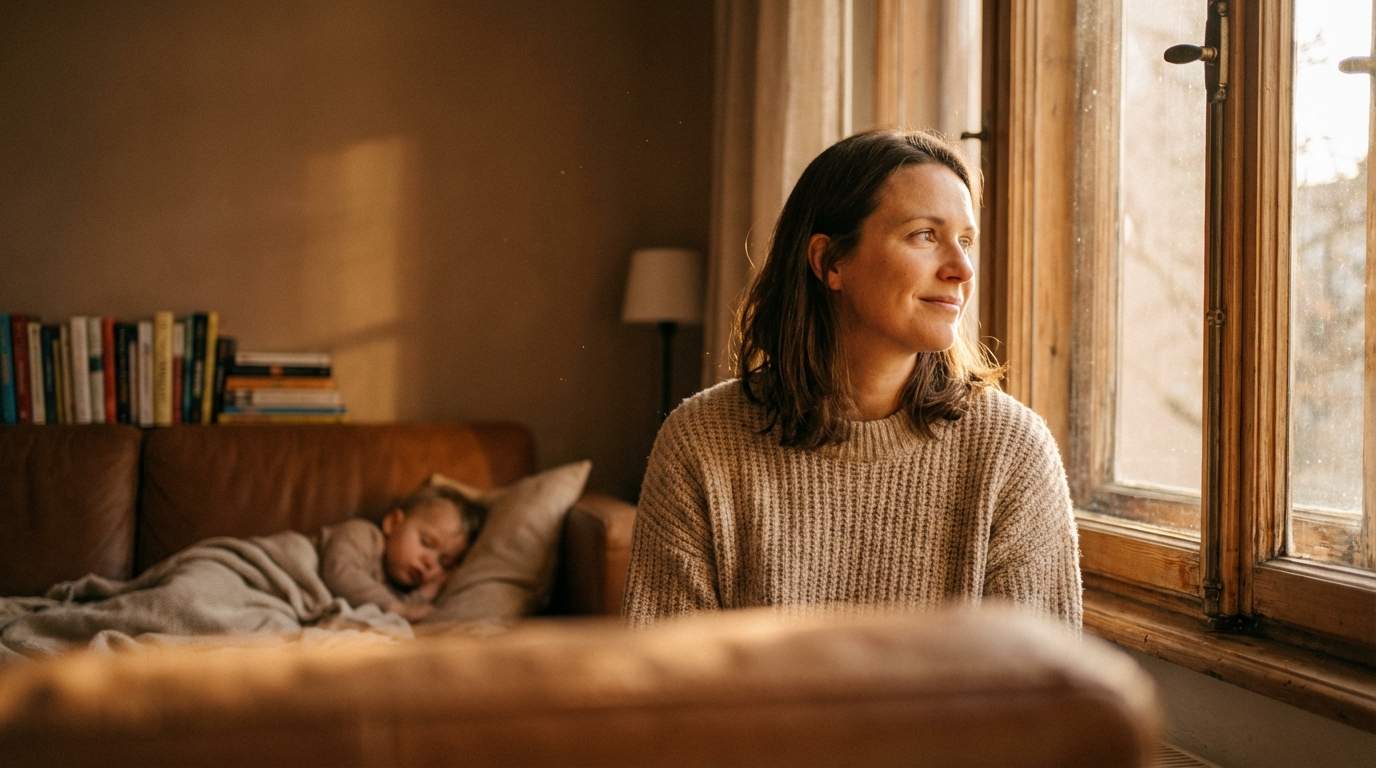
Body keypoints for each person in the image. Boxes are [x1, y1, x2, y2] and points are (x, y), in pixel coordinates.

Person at [622, 128, 1081, 628]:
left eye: (965, 240)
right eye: (925, 235)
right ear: (829, 261)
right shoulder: (700, 442)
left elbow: (1040, 695)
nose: (962, 269)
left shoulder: (1011, 450)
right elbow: (669, 689)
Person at [318, 485, 481, 622]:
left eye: (444, 563)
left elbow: (405, 610)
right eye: (426, 542)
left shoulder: (395, 588)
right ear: (393, 523)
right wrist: (397, 609)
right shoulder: (363, 534)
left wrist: (428, 592)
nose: (430, 562)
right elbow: (339, 572)